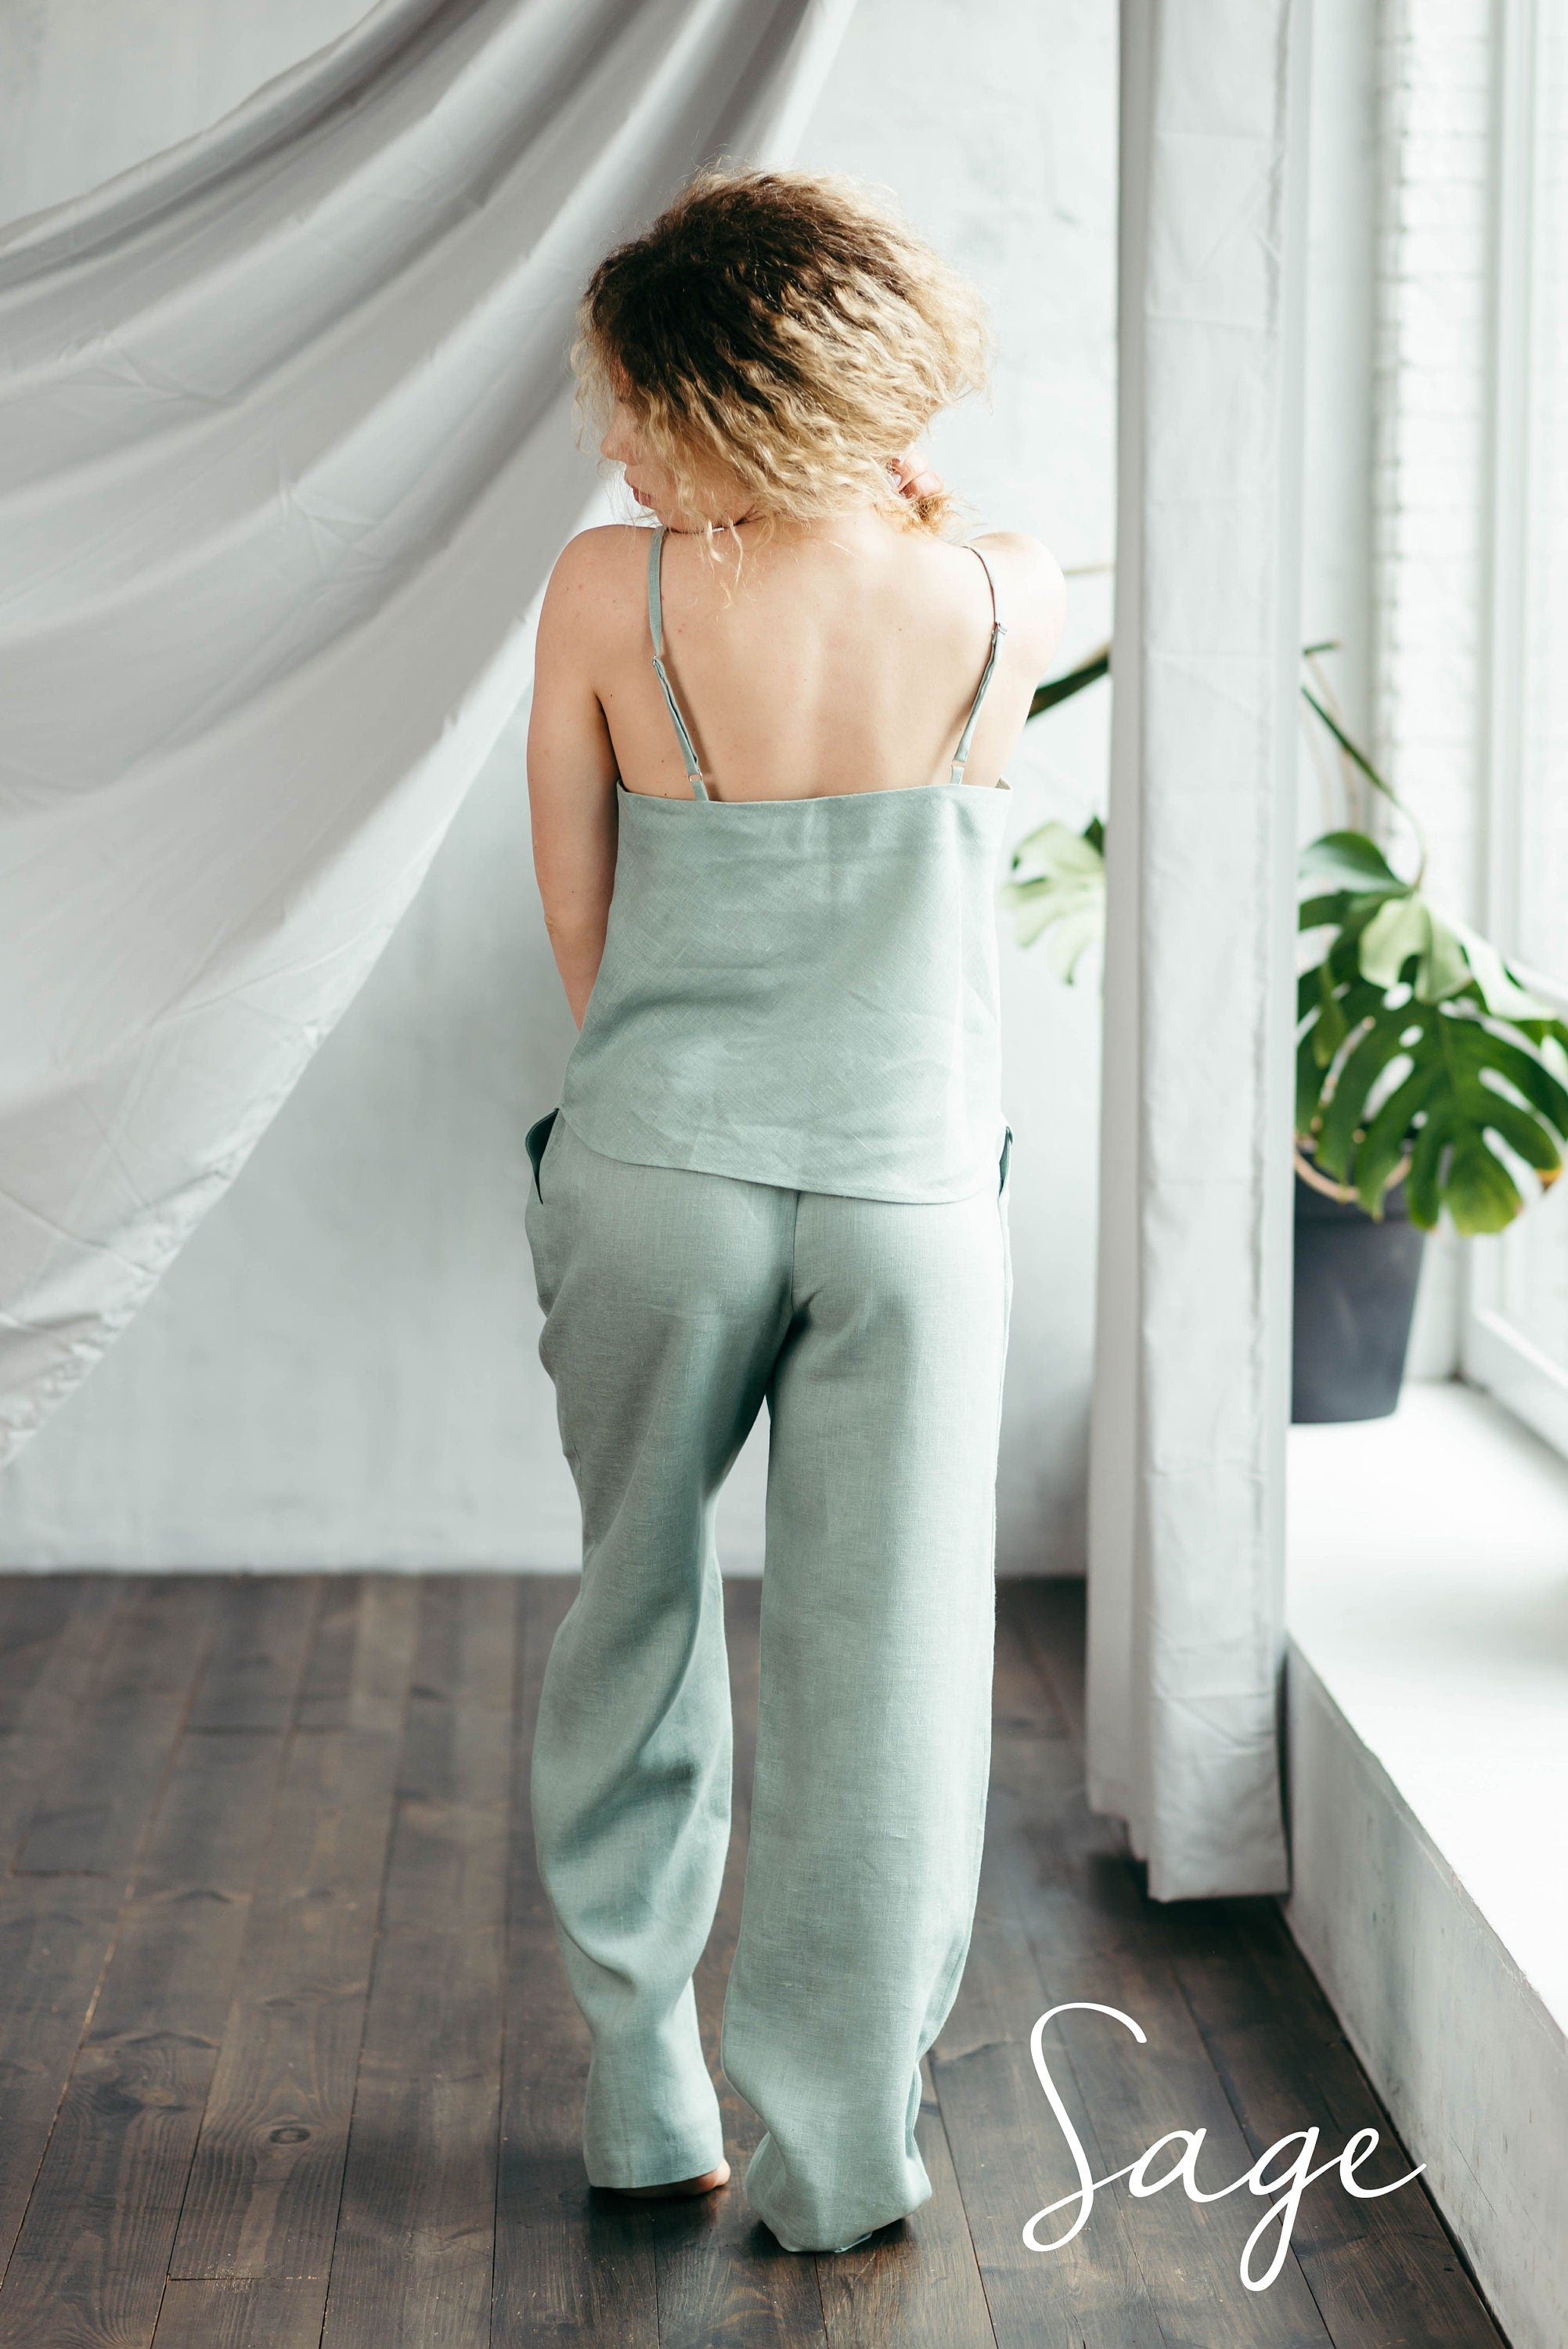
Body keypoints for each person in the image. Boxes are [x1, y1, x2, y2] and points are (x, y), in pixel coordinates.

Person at [521, 167, 1066, 2257]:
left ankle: (648, 2098)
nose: (609, 441)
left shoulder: (610, 592)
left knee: (636, 1627)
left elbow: (577, 909)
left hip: (663, 1172)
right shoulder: (1011, 589)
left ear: (708, 381)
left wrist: (665, 1096)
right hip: (911, 1195)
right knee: (889, 1677)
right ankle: (844, 2162)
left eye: (635, 393)